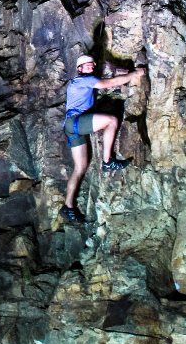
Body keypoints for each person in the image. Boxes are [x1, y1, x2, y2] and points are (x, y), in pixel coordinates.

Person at [59, 54, 146, 223]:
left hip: (70, 126)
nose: (90, 66)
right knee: (111, 121)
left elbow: (107, 81)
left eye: (92, 64)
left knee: (80, 168)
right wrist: (135, 74)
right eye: (86, 65)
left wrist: (124, 73)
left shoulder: (80, 81)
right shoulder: (84, 80)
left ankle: (68, 206)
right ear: (79, 69)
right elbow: (111, 83)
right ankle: (108, 161)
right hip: (76, 122)